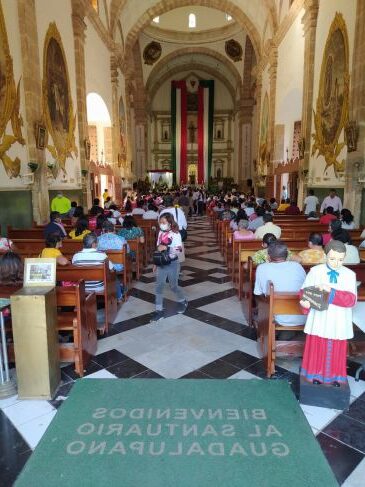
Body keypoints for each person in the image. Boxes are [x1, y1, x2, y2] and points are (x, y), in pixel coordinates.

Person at [299, 240, 357, 386]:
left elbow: (351, 300)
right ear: (325, 255)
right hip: (320, 316)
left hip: (339, 316)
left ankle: (336, 377)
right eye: (332, 258)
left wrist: (331, 292)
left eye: (340, 259)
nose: (336, 263)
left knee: (337, 346)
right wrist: (305, 302)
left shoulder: (349, 274)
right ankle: (315, 375)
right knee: (318, 344)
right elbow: (304, 291)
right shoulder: (315, 271)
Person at [254, 240, 307, 325]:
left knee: (261, 302)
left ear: (268, 256)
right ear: (287, 255)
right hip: (302, 315)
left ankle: (272, 331)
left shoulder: (261, 268)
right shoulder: (298, 266)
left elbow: (258, 293)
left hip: (276, 319)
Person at [151, 213, 187, 322]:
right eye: (160, 222)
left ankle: (183, 300)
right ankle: (159, 311)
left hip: (172, 263)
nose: (161, 224)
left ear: (170, 223)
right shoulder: (161, 233)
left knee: (173, 286)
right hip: (162, 262)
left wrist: (167, 247)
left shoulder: (176, 234)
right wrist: (155, 263)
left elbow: (179, 250)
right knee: (159, 287)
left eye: (164, 222)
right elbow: (158, 248)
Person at [72, 233, 122, 302]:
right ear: (93, 244)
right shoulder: (101, 255)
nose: (97, 244)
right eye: (96, 243)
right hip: (98, 287)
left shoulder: (76, 256)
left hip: (81, 287)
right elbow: (112, 270)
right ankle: (118, 298)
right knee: (114, 278)